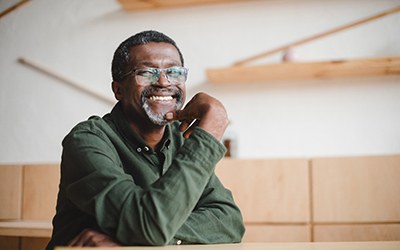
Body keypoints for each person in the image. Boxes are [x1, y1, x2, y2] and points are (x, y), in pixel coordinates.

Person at [46, 30, 245, 249]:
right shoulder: (87, 139)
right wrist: (208, 134)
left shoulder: (181, 139)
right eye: (146, 72)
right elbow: (149, 226)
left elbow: (229, 222)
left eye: (174, 72)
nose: (163, 82)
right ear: (118, 89)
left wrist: (139, 233)